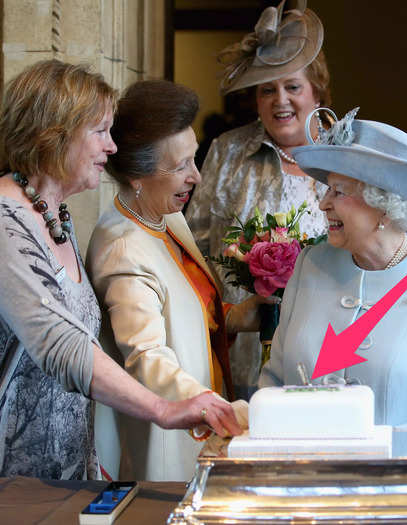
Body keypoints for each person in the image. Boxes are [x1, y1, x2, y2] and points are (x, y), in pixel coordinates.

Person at [0, 60, 240, 480]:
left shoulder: (56, 213)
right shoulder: (5, 220)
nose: (112, 149)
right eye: (100, 132)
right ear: (53, 134)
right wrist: (165, 408)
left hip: (67, 470)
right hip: (14, 474)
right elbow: (62, 345)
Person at [259, 108, 407, 478]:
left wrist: (392, 445)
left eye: (339, 191)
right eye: (327, 189)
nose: (324, 203)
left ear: (384, 207)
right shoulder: (310, 265)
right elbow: (273, 382)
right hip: (306, 487)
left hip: (403, 490)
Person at [87, 80, 263, 481]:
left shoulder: (164, 217)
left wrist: (246, 314)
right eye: (181, 165)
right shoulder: (124, 251)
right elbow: (147, 358)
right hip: (170, 439)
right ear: (137, 175)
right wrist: (215, 408)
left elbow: (190, 314)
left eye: (194, 159)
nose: (197, 177)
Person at [186, 1, 331, 399]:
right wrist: (223, 322)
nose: (280, 100)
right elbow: (195, 250)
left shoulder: (346, 156)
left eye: (293, 87)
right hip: (245, 352)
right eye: (268, 90)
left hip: (327, 347)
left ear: (317, 90)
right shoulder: (228, 152)